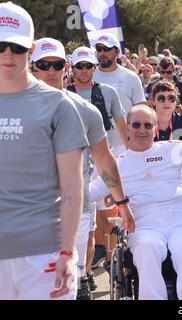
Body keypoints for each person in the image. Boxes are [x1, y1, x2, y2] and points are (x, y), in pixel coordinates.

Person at [30, 37, 135, 300]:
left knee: (64, 288)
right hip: (26, 214)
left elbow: (104, 159)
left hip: (73, 211)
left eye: (56, 65)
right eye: (44, 65)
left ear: (66, 67)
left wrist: (122, 203)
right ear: (34, 68)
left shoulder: (87, 111)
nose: (51, 71)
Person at [0, 2, 87, 300]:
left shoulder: (58, 105)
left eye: (17, 46)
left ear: (31, 49)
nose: (8, 54)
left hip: (43, 254)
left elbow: (73, 189)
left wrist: (67, 250)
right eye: (0, 45)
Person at [90, 105, 182, 300]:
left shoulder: (172, 148)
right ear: (127, 128)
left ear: (155, 128)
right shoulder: (118, 163)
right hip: (144, 222)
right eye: (136, 125)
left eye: (148, 125)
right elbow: (90, 192)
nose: (142, 130)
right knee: (147, 247)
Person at [93, 33, 146, 155]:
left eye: (106, 49)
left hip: (125, 145)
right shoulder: (90, 76)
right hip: (95, 145)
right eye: (99, 49)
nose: (102, 53)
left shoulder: (131, 77)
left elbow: (141, 111)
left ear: (117, 52)